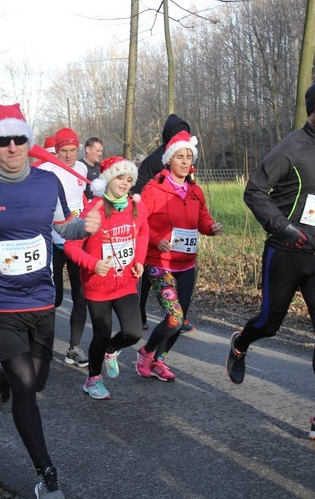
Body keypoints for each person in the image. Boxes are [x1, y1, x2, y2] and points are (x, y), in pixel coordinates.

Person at [0, 103, 102, 498]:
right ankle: (47, 475)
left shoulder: (48, 183)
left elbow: (63, 227)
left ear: (28, 142)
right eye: (3, 142)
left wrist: (85, 226)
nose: (12, 148)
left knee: (38, 382)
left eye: (19, 140)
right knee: (27, 386)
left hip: (42, 299)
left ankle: (1, 379)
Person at [225, 80, 315, 442]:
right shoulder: (292, 147)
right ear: (312, 109)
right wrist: (282, 227)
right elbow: (254, 192)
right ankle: (241, 341)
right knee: (269, 325)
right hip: (286, 254)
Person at [137, 131, 223, 381]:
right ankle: (145, 354)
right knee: (174, 318)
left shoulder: (195, 191)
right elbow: (139, 222)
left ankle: (158, 361)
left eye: (189, 157)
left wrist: (211, 227)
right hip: (160, 263)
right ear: (168, 160)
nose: (185, 162)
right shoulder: (153, 189)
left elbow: (202, 219)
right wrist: (156, 240)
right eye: (180, 157)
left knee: (179, 318)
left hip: (187, 264)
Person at [64, 156, 148, 399]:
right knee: (101, 334)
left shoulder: (136, 205)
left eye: (129, 179)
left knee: (133, 333)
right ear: (108, 179)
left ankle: (112, 350)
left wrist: (140, 260)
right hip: (97, 285)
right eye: (120, 177)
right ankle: (93, 380)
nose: (125, 183)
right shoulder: (95, 208)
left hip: (125, 282)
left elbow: (143, 233)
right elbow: (71, 245)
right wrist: (93, 263)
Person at [132, 115, 194, 333]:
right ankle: (138, 314)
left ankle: (179, 316)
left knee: (179, 272)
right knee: (148, 278)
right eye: (177, 131)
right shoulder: (154, 160)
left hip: (179, 232)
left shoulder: (184, 156)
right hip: (153, 227)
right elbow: (137, 188)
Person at [38, 127, 90, 368]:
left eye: (72, 150)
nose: (69, 155)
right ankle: (41, 344)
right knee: (54, 297)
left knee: (81, 296)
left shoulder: (81, 168)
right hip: (53, 241)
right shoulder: (44, 170)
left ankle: (74, 347)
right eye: (63, 151)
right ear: (55, 150)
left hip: (77, 241)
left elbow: (83, 199)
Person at [81, 136, 104, 201]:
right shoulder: (79, 167)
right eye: (97, 151)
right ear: (88, 149)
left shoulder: (101, 167)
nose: (100, 154)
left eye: (101, 151)